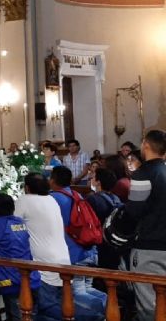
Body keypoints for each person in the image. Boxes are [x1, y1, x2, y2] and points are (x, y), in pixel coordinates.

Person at [49, 166, 107, 316]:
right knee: (88, 289)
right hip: (89, 249)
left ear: (53, 180)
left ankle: (104, 313)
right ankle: (108, 305)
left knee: (77, 293)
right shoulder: (77, 195)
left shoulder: (53, 199)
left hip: (74, 253)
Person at [121, 129, 166, 320]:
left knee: (150, 308)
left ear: (146, 145)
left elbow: (134, 211)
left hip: (150, 248)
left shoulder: (144, 173)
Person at [14, 173, 71, 320]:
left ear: (27, 188)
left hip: (44, 265)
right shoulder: (52, 200)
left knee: (46, 311)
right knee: (63, 309)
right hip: (63, 261)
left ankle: (95, 316)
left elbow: (11, 223)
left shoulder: (25, 200)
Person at [86, 167, 123, 273]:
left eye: (93, 177)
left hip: (98, 244)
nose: (91, 179)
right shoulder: (116, 199)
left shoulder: (92, 199)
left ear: (98, 182)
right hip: (113, 244)